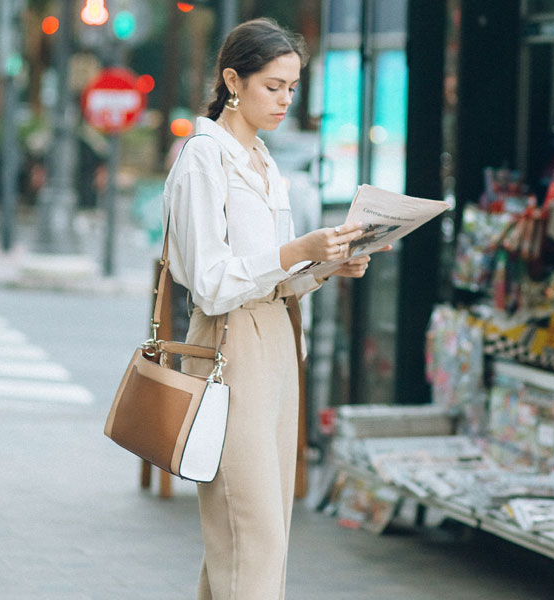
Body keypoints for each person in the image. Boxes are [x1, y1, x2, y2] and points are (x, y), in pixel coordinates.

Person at [162, 18, 384, 600]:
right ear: (233, 80)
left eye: (293, 87)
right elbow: (210, 283)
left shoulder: (262, 158)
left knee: (255, 538)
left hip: (279, 344)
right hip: (229, 348)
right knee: (252, 535)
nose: (286, 100)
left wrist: (329, 264)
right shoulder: (203, 158)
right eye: (273, 86)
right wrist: (297, 250)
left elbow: (276, 276)